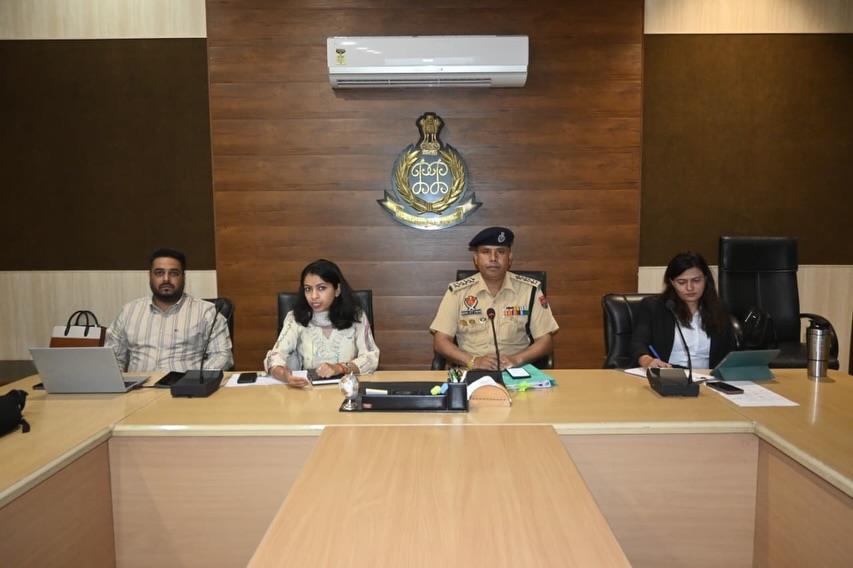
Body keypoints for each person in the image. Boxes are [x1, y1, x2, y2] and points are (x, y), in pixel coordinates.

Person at [430, 227, 559, 370]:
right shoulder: (458, 292)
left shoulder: (530, 291)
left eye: (500, 251)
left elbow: (545, 342)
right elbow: (441, 341)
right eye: (486, 252)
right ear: (476, 259)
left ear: (509, 257)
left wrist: (516, 360)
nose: (493, 258)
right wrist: (473, 361)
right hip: (471, 372)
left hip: (516, 373)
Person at [106, 248, 233, 372]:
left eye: (174, 273)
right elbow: (113, 358)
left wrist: (196, 381)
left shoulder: (207, 312)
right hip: (137, 391)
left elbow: (222, 355)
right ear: (150, 275)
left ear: (183, 277)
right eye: (159, 273)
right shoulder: (129, 312)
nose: (166, 279)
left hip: (185, 390)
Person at [265, 259, 379, 388]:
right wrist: (285, 376)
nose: (313, 296)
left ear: (337, 290)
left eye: (321, 288)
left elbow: (371, 358)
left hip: (348, 390)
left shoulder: (356, 316)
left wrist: (339, 368)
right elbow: (274, 357)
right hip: (307, 392)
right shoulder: (295, 318)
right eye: (308, 289)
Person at [630, 251, 737, 370]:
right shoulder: (654, 307)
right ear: (672, 283)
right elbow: (638, 342)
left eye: (696, 280)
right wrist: (647, 360)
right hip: (668, 375)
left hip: (707, 379)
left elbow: (729, 352)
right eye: (682, 282)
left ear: (706, 279)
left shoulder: (719, 308)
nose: (689, 288)